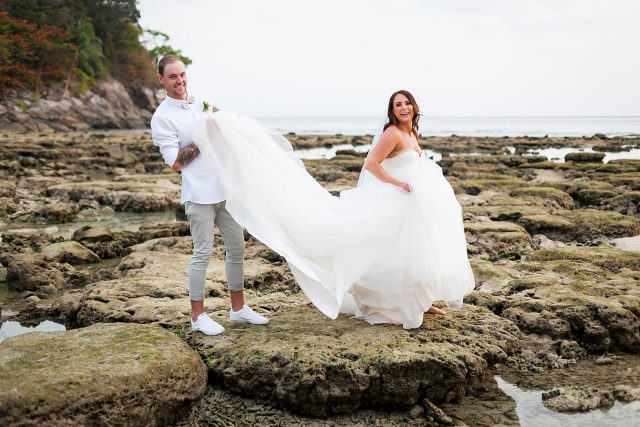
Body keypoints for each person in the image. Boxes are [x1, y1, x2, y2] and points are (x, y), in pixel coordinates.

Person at [194, 90, 475, 329]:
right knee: (382, 252)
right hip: (396, 198)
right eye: (397, 104)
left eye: (406, 103)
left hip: (414, 202)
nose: (403, 108)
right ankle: (400, 305)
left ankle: (421, 303)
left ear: (414, 107)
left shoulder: (412, 131)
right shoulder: (392, 133)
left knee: (414, 253)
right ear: (392, 111)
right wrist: (398, 184)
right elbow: (372, 164)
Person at [150, 55, 268, 336]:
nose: (180, 81)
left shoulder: (202, 100)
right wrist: (202, 139)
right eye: (173, 77)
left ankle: (238, 309)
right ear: (161, 80)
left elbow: (223, 125)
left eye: (182, 75)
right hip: (198, 194)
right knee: (202, 253)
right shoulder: (162, 117)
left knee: (237, 248)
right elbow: (176, 162)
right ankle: (197, 316)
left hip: (225, 188)